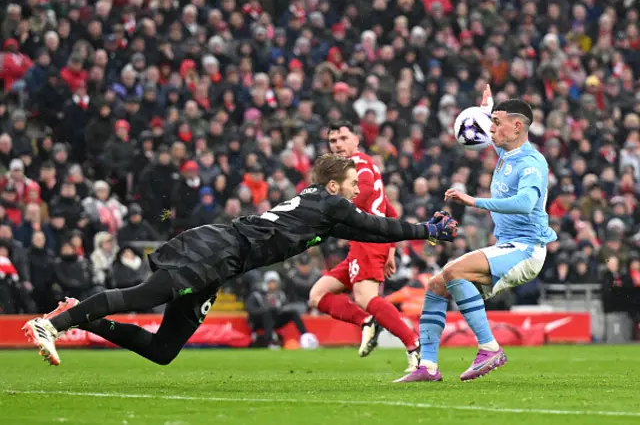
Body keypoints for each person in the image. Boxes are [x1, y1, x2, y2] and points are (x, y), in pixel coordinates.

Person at [23, 154, 459, 367]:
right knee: (145, 295)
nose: (354, 190)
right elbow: (379, 227)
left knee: (162, 350)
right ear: (331, 186)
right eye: (350, 183)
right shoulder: (333, 206)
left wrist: (425, 232)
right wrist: (429, 231)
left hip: (224, 258)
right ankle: (53, 325)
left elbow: (367, 230)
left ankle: (79, 317)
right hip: (216, 250)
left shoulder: (325, 211)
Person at [395, 86, 557, 383]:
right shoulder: (507, 151)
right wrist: (488, 107)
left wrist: (474, 201)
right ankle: (427, 366)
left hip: (527, 248)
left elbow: (525, 203)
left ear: (517, 126)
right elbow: (490, 134)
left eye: (497, 123)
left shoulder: (531, 163)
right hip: (509, 246)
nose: (490, 128)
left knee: (454, 271)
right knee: (436, 284)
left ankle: (490, 347)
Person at [308, 120, 422, 372]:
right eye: (333, 141)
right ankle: (367, 321)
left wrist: (335, 212)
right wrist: (391, 249)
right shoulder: (360, 165)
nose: (338, 145)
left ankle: (413, 344)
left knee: (365, 297)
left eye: (343, 139)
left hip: (367, 241)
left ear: (356, 139)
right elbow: (389, 210)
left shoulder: (358, 165)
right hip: (366, 244)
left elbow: (366, 189)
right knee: (317, 294)